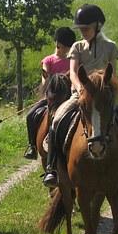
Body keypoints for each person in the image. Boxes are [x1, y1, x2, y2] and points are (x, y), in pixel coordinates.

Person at [41, 4, 118, 192]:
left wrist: (107, 91)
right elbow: (72, 72)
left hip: (104, 97)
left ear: (98, 26)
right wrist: (81, 89)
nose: (83, 33)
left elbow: (112, 75)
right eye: (80, 29)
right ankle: (51, 169)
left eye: (86, 29)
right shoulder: (77, 47)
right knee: (56, 120)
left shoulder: (111, 47)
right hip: (80, 95)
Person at [23, 26, 76, 159]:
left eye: (68, 47)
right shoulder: (49, 60)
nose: (66, 50)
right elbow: (44, 78)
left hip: (68, 98)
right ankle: (32, 146)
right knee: (30, 115)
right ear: (58, 44)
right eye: (64, 47)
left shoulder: (72, 62)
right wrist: (47, 79)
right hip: (52, 98)